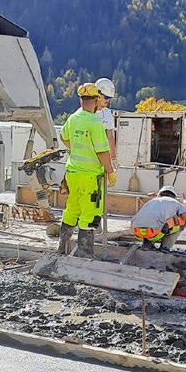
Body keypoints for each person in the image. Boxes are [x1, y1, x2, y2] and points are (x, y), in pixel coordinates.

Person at [58, 82, 116, 258]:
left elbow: (63, 136)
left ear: (81, 99)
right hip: (90, 176)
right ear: (97, 99)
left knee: (71, 210)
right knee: (89, 215)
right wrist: (110, 171)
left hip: (72, 173)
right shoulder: (95, 122)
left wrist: (76, 148)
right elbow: (103, 152)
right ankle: (85, 256)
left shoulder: (73, 117)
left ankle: (61, 249)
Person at [131, 186, 186, 251]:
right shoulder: (176, 203)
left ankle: (147, 244)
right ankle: (165, 247)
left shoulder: (151, 201)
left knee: (157, 220)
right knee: (182, 220)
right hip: (154, 233)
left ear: (159, 194)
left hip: (137, 233)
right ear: (174, 196)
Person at [94, 77, 118, 171]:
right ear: (98, 95)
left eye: (109, 98)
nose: (107, 100)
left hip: (102, 158)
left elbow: (110, 137)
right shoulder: (87, 113)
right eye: (106, 97)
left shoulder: (108, 114)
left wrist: (113, 157)